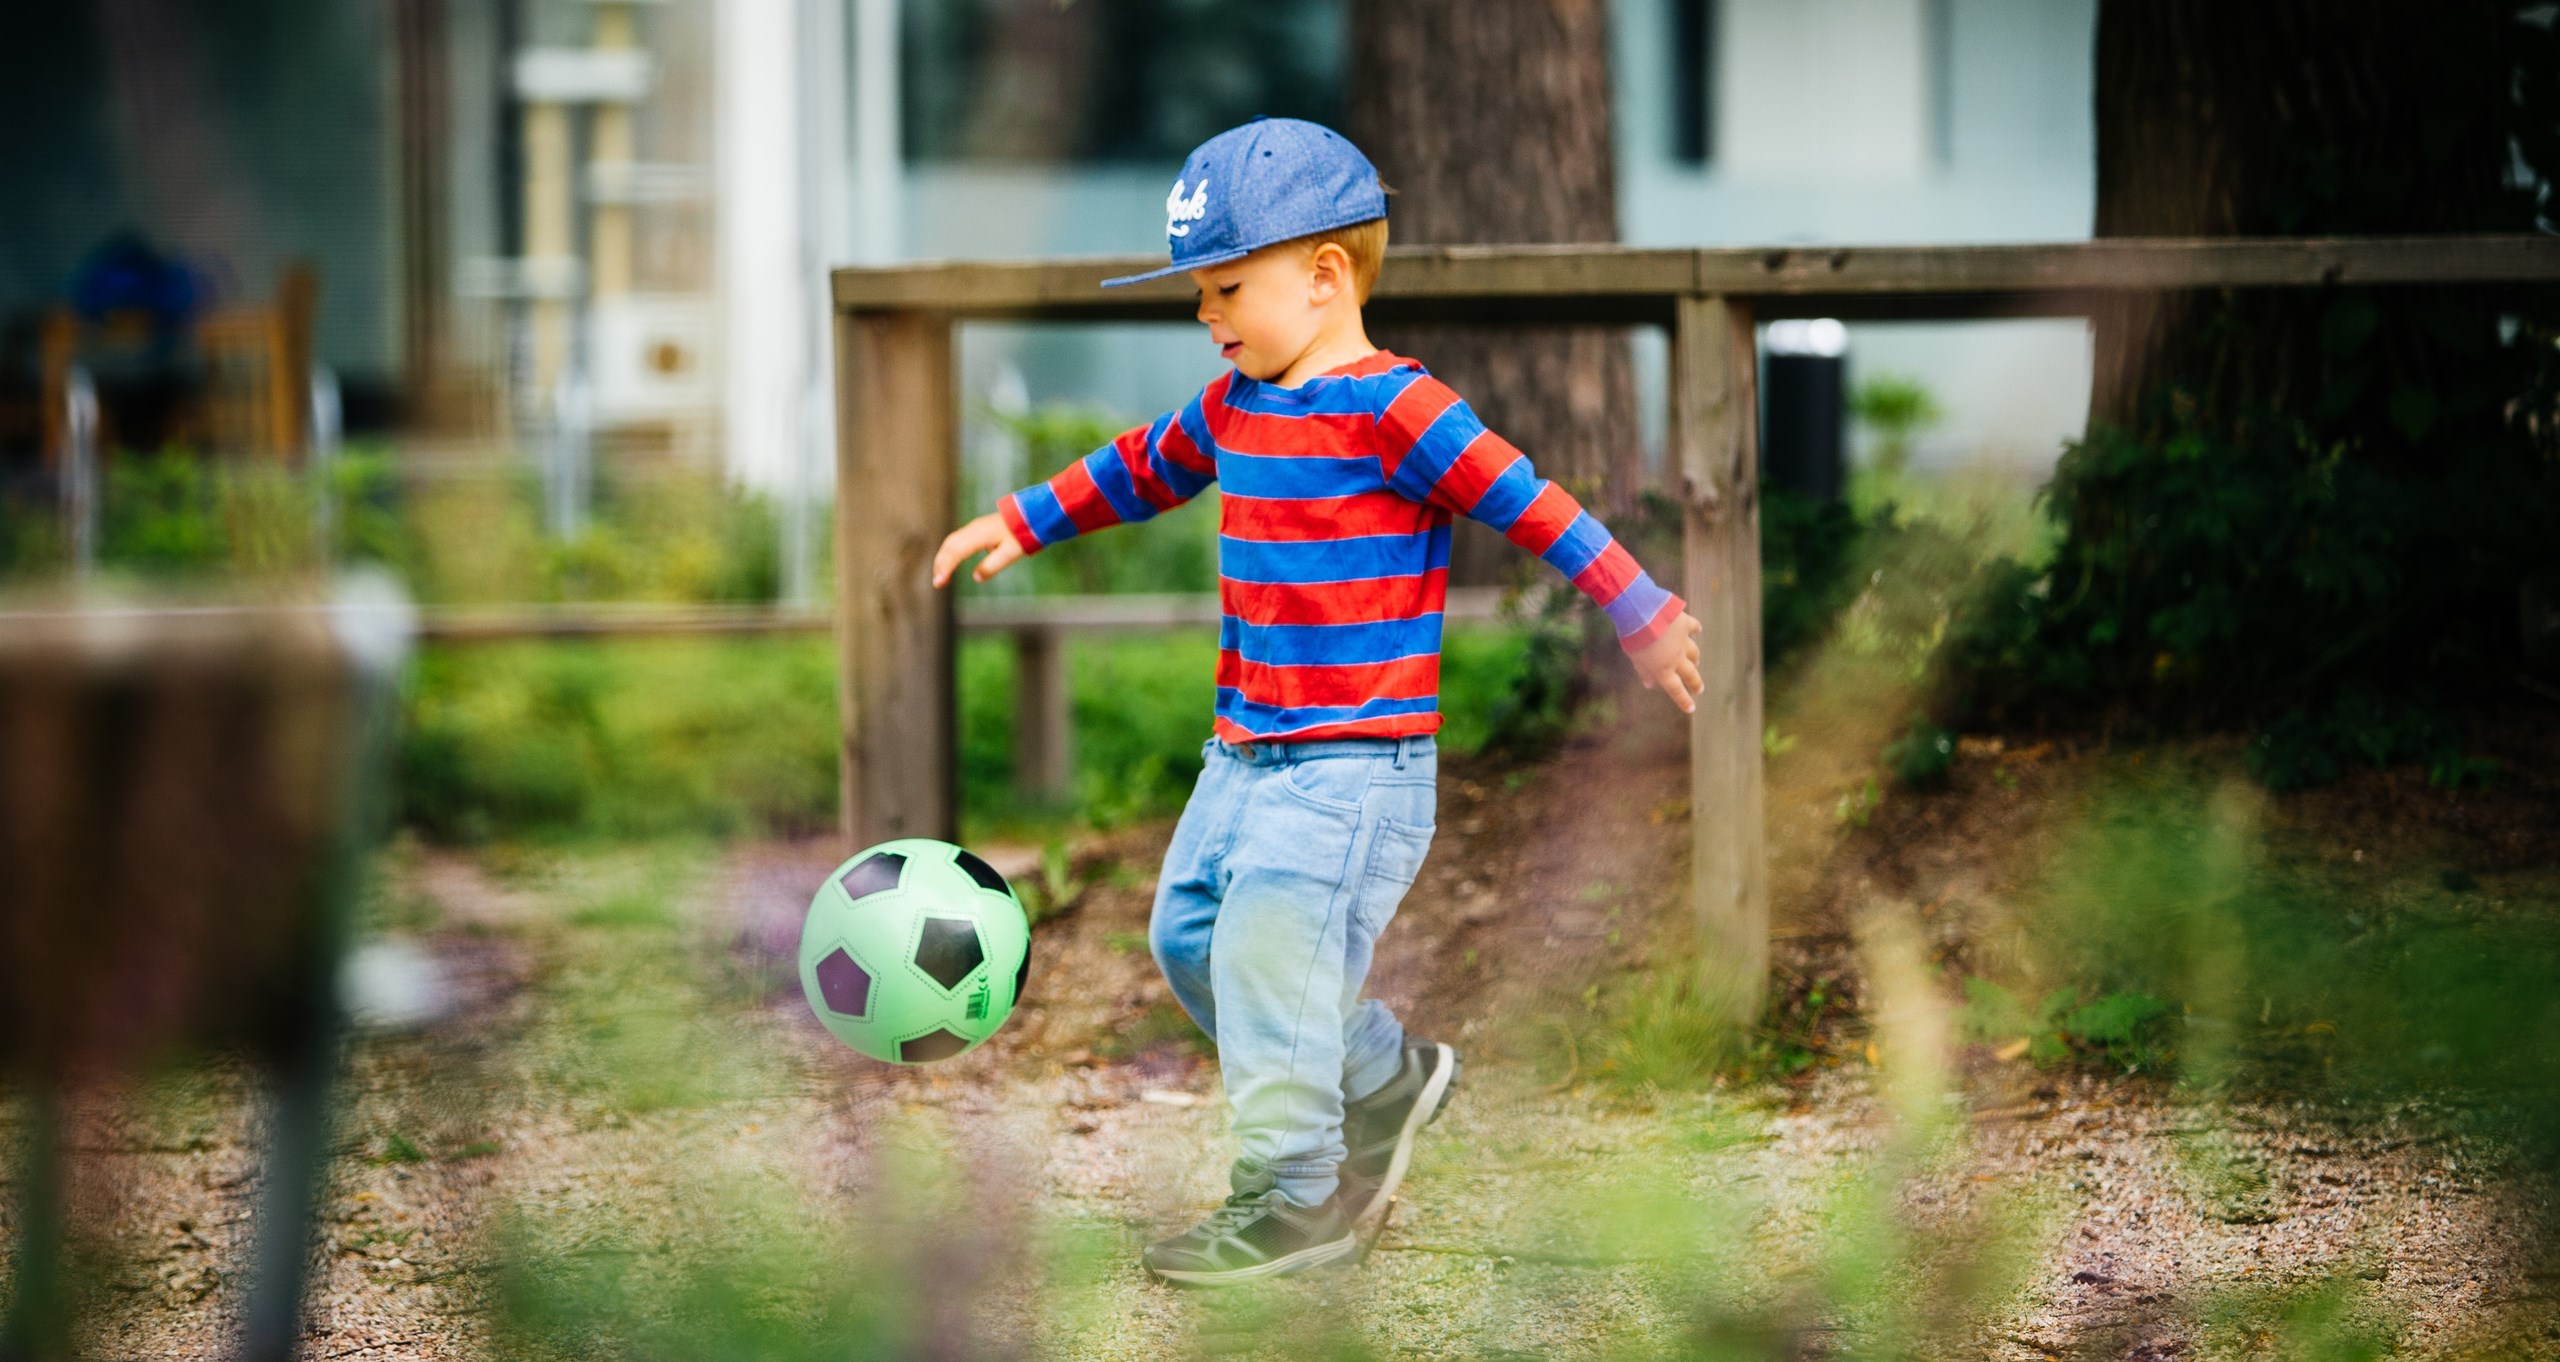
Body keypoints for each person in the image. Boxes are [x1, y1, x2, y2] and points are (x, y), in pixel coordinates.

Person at [932, 118, 1703, 1286]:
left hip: (1355, 766)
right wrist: (1027, 515)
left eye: (1227, 288)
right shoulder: (1233, 403)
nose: (1209, 315)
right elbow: (1142, 464)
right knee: (1189, 941)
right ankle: (1383, 1076)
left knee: (1262, 957)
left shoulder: (1401, 410)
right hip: (1242, 753)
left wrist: (1639, 609)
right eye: (1203, 293)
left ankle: (1296, 1203)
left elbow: (1533, 504)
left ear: (1325, 275)